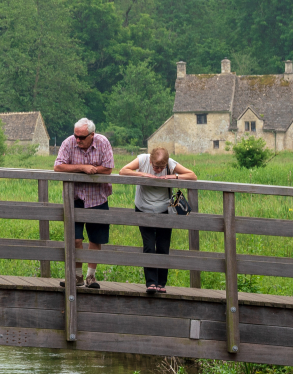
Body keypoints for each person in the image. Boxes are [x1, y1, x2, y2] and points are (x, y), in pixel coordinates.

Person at [119, 146, 195, 296]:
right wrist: (144, 175)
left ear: (166, 163)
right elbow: (123, 171)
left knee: (163, 246)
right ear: (150, 160)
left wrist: (173, 176)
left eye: (162, 167)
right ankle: (151, 283)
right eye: (155, 166)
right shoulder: (142, 159)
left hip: (165, 209)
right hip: (143, 208)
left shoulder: (171, 164)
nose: (158, 169)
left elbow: (192, 175)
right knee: (149, 246)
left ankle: (161, 283)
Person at [53, 118, 115, 288]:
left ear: (92, 135)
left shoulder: (103, 142)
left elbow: (108, 168)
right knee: (75, 239)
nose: (78, 140)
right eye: (76, 136)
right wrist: (83, 167)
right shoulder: (68, 143)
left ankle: (91, 277)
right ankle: (76, 276)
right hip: (76, 198)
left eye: (81, 137)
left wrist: (90, 169)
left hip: (98, 197)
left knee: (96, 239)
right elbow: (58, 166)